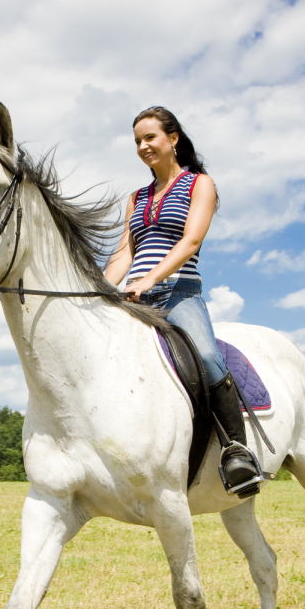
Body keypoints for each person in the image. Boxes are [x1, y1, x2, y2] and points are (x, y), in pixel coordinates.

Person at [104, 106, 263, 495]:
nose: (143, 146)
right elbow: (124, 254)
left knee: (207, 357)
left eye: (150, 137)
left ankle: (236, 451)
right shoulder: (136, 198)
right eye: (137, 141)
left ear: (172, 139)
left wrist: (150, 278)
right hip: (136, 297)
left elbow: (190, 240)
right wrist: (101, 288)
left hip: (179, 294)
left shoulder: (199, 184)